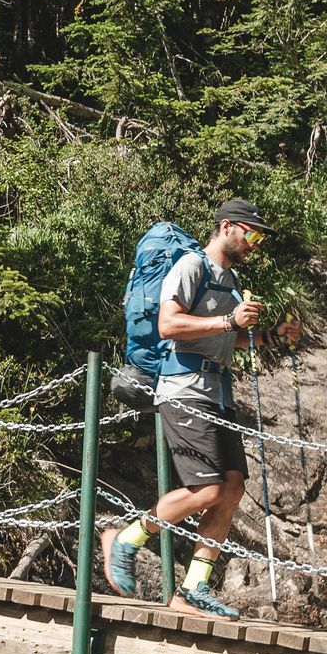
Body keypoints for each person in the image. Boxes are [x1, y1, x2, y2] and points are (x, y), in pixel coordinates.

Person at [101, 199, 267, 615]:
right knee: (207, 489)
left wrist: (270, 335)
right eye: (253, 234)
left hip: (218, 392)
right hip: (184, 389)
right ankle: (126, 539)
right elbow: (169, 325)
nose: (256, 244)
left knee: (231, 490)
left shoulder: (229, 281)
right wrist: (231, 321)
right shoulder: (192, 267)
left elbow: (226, 337)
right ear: (228, 227)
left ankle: (193, 589)